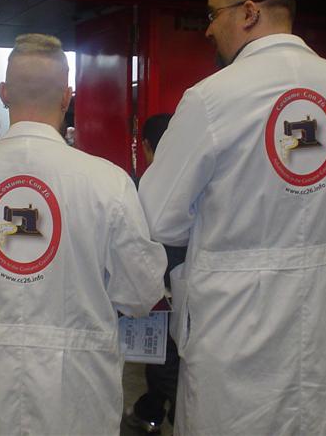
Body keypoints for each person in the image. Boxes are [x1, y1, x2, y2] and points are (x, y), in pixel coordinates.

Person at [138, 0, 326, 434]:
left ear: (249, 12)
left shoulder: (211, 97)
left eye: (213, 15)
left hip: (235, 318)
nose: (208, 30)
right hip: (323, 316)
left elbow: (158, 217)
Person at [0, 34, 167, 436]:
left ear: (3, 93)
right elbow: (140, 292)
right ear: (67, 97)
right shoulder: (108, 182)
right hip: (77, 394)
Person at [126, 113, 186, 433]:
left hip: (157, 290)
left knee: (163, 358)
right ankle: (152, 409)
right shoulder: (201, 178)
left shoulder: (140, 188)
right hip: (199, 288)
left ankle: (178, 413)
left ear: (147, 146)